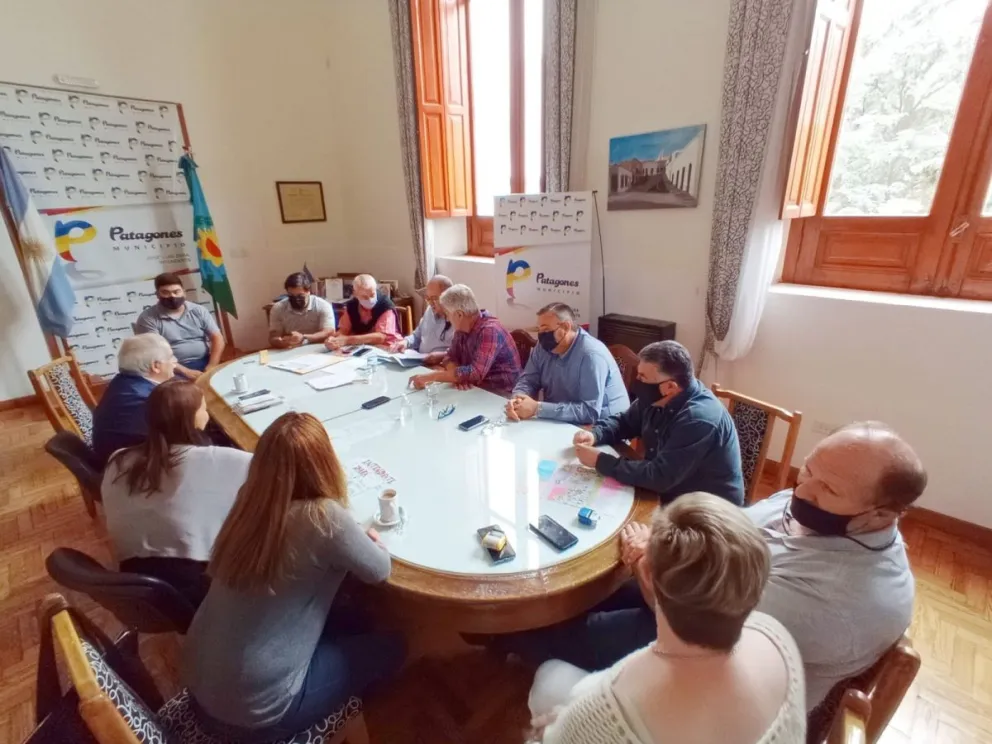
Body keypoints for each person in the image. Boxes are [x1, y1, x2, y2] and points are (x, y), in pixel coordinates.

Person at [500, 421, 925, 717]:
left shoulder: (831, 599)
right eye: (807, 469)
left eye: (827, 488)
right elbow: (729, 536)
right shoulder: (815, 510)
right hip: (709, 608)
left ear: (882, 514)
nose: (802, 489)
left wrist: (643, 560)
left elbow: (681, 620)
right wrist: (660, 552)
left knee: (539, 628)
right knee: (587, 587)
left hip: (708, 674)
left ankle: (510, 639)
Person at [182, 412, 406, 741]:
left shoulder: (250, 500)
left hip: (198, 687)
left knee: (348, 618)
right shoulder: (323, 518)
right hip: (258, 712)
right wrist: (363, 536)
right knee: (395, 647)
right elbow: (379, 570)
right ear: (325, 461)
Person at [527, 493, 805, 744]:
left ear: (646, 574)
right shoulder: (778, 638)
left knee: (549, 679)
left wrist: (551, 731)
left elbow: (551, 735)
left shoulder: (606, 704)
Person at [102, 380, 250, 606]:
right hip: (198, 582)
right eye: (203, 407)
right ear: (193, 418)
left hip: (135, 577)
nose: (207, 412)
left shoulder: (118, 459)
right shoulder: (222, 460)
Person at [572, 340, 743, 505]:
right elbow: (625, 422)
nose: (636, 381)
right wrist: (595, 434)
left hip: (705, 511)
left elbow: (660, 477)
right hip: (668, 489)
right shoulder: (657, 397)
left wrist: (601, 461)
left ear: (670, 387)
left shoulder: (697, 419)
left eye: (643, 377)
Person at [507, 303, 628, 426]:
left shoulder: (591, 355)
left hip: (603, 427)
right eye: (539, 330)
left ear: (565, 327)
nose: (541, 335)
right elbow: (528, 380)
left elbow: (589, 412)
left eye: (546, 329)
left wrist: (538, 408)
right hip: (559, 421)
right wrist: (518, 399)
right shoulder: (543, 347)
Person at [409, 284, 521, 395]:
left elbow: (475, 373)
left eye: (447, 313)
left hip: (500, 394)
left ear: (459, 314)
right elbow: (450, 356)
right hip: (476, 389)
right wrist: (457, 377)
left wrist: (432, 377)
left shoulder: (490, 330)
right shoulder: (462, 329)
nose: (447, 318)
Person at [91, 334, 177, 467]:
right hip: (131, 474)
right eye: (171, 357)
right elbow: (176, 439)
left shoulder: (122, 382)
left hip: (122, 460)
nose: (175, 361)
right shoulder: (143, 400)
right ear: (156, 366)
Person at [135, 272, 225, 380]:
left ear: (184, 292)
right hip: (170, 368)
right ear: (158, 295)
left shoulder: (199, 311)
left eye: (176, 292)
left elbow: (217, 338)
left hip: (205, 361)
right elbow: (155, 353)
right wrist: (186, 372)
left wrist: (211, 366)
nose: (172, 296)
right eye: (166, 292)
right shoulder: (147, 318)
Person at [324, 274, 401, 349]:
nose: (370, 299)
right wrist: (334, 340)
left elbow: (381, 337)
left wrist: (347, 340)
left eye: (372, 295)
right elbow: (344, 330)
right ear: (355, 294)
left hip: (387, 348)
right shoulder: (352, 306)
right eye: (364, 297)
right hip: (361, 347)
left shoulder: (385, 305)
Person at [390, 274, 453, 361]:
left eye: (434, 298)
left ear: (448, 297)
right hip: (420, 361)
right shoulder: (429, 311)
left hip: (440, 365)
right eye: (428, 298)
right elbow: (417, 336)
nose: (430, 303)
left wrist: (442, 356)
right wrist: (406, 342)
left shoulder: (458, 318)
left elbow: (461, 353)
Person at [268, 272, 336, 348]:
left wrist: (304, 338)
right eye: (291, 296)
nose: (296, 299)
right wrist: (280, 342)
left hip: (316, 348)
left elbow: (329, 332)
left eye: (300, 295)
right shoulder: (278, 308)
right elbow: (273, 337)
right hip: (289, 349)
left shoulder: (323, 305)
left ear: (309, 292)